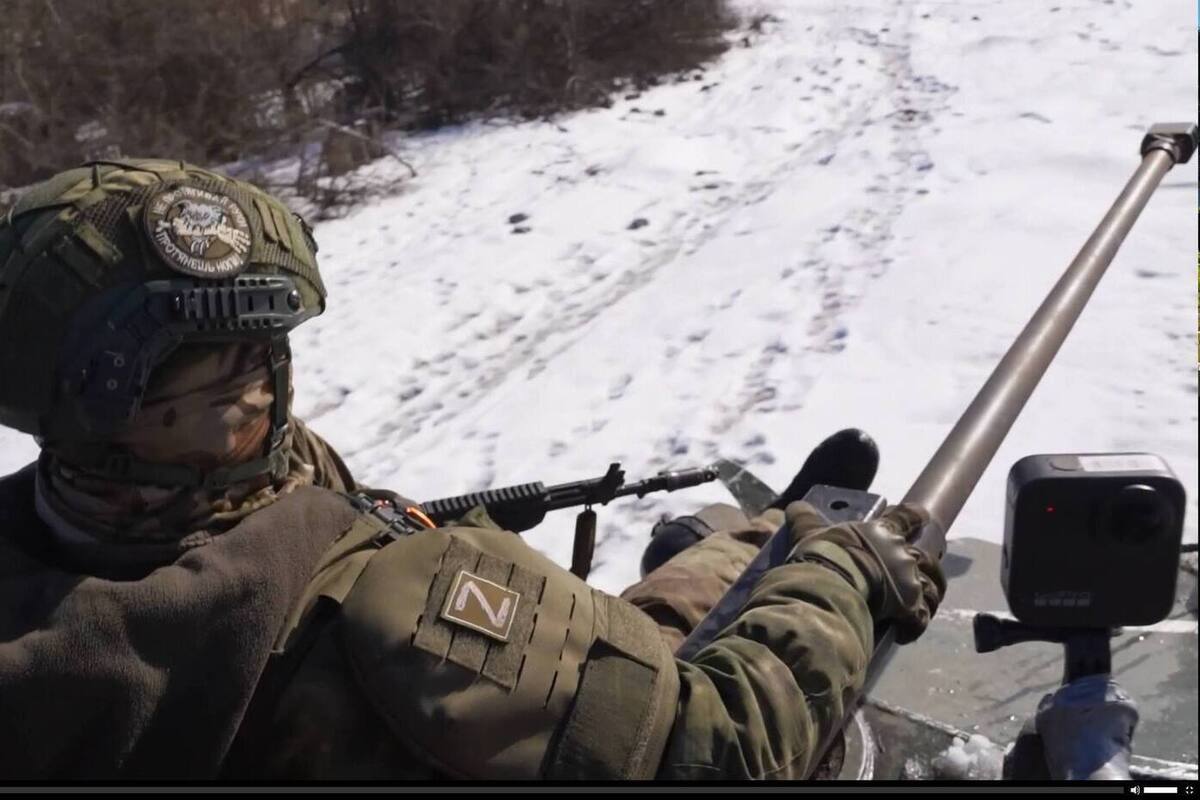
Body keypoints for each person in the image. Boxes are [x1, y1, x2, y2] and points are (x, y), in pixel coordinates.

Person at [0, 160, 945, 780]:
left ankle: (759, 539)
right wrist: (846, 574)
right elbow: (727, 744)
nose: (270, 387)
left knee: (661, 610)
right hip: (529, 723)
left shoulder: (46, 573)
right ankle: (792, 544)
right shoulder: (374, 616)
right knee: (671, 647)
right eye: (237, 371)